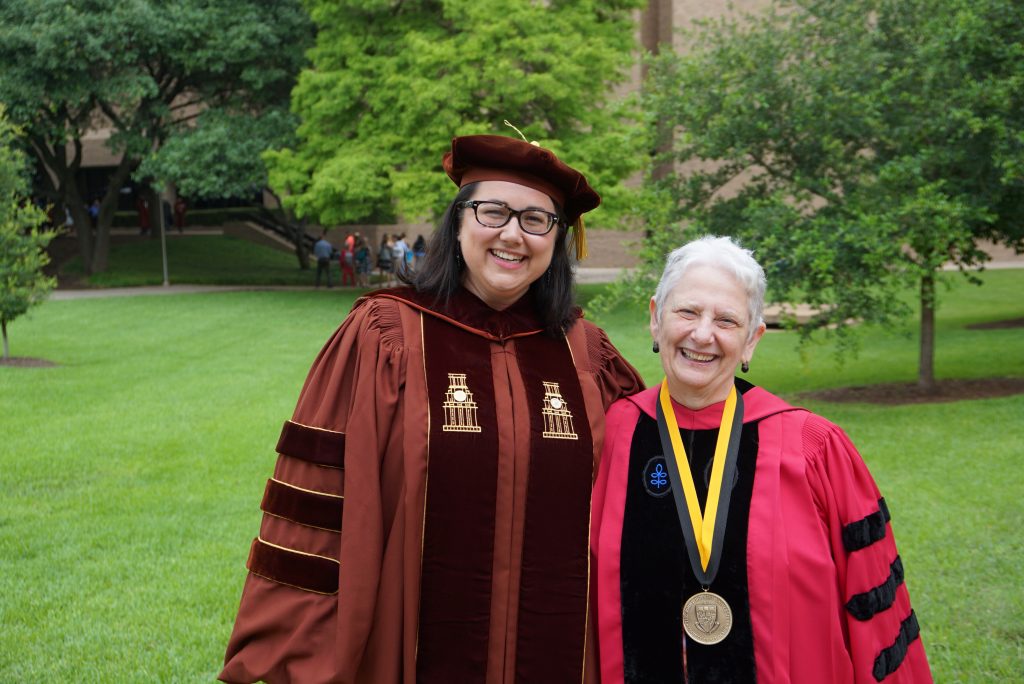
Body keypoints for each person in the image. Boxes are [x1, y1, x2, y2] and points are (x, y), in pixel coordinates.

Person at [221, 134, 644, 683]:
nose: (512, 234)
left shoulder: (587, 354)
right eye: (493, 212)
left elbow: (640, 508)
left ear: (559, 238)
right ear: (459, 221)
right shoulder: (384, 336)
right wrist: (298, 651)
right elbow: (318, 507)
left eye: (537, 220)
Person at [591, 236, 932, 684]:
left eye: (727, 320)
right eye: (687, 311)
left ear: (752, 339)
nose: (702, 334)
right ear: (656, 319)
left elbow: (876, 613)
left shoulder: (814, 448)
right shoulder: (613, 434)